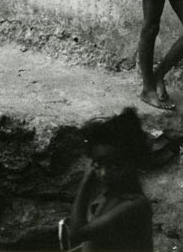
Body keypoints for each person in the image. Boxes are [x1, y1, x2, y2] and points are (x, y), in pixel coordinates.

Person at [64, 107, 154, 252]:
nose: (104, 173)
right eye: (98, 164)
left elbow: (78, 233)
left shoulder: (133, 205)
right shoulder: (111, 194)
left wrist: (86, 183)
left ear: (134, 162)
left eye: (115, 165)